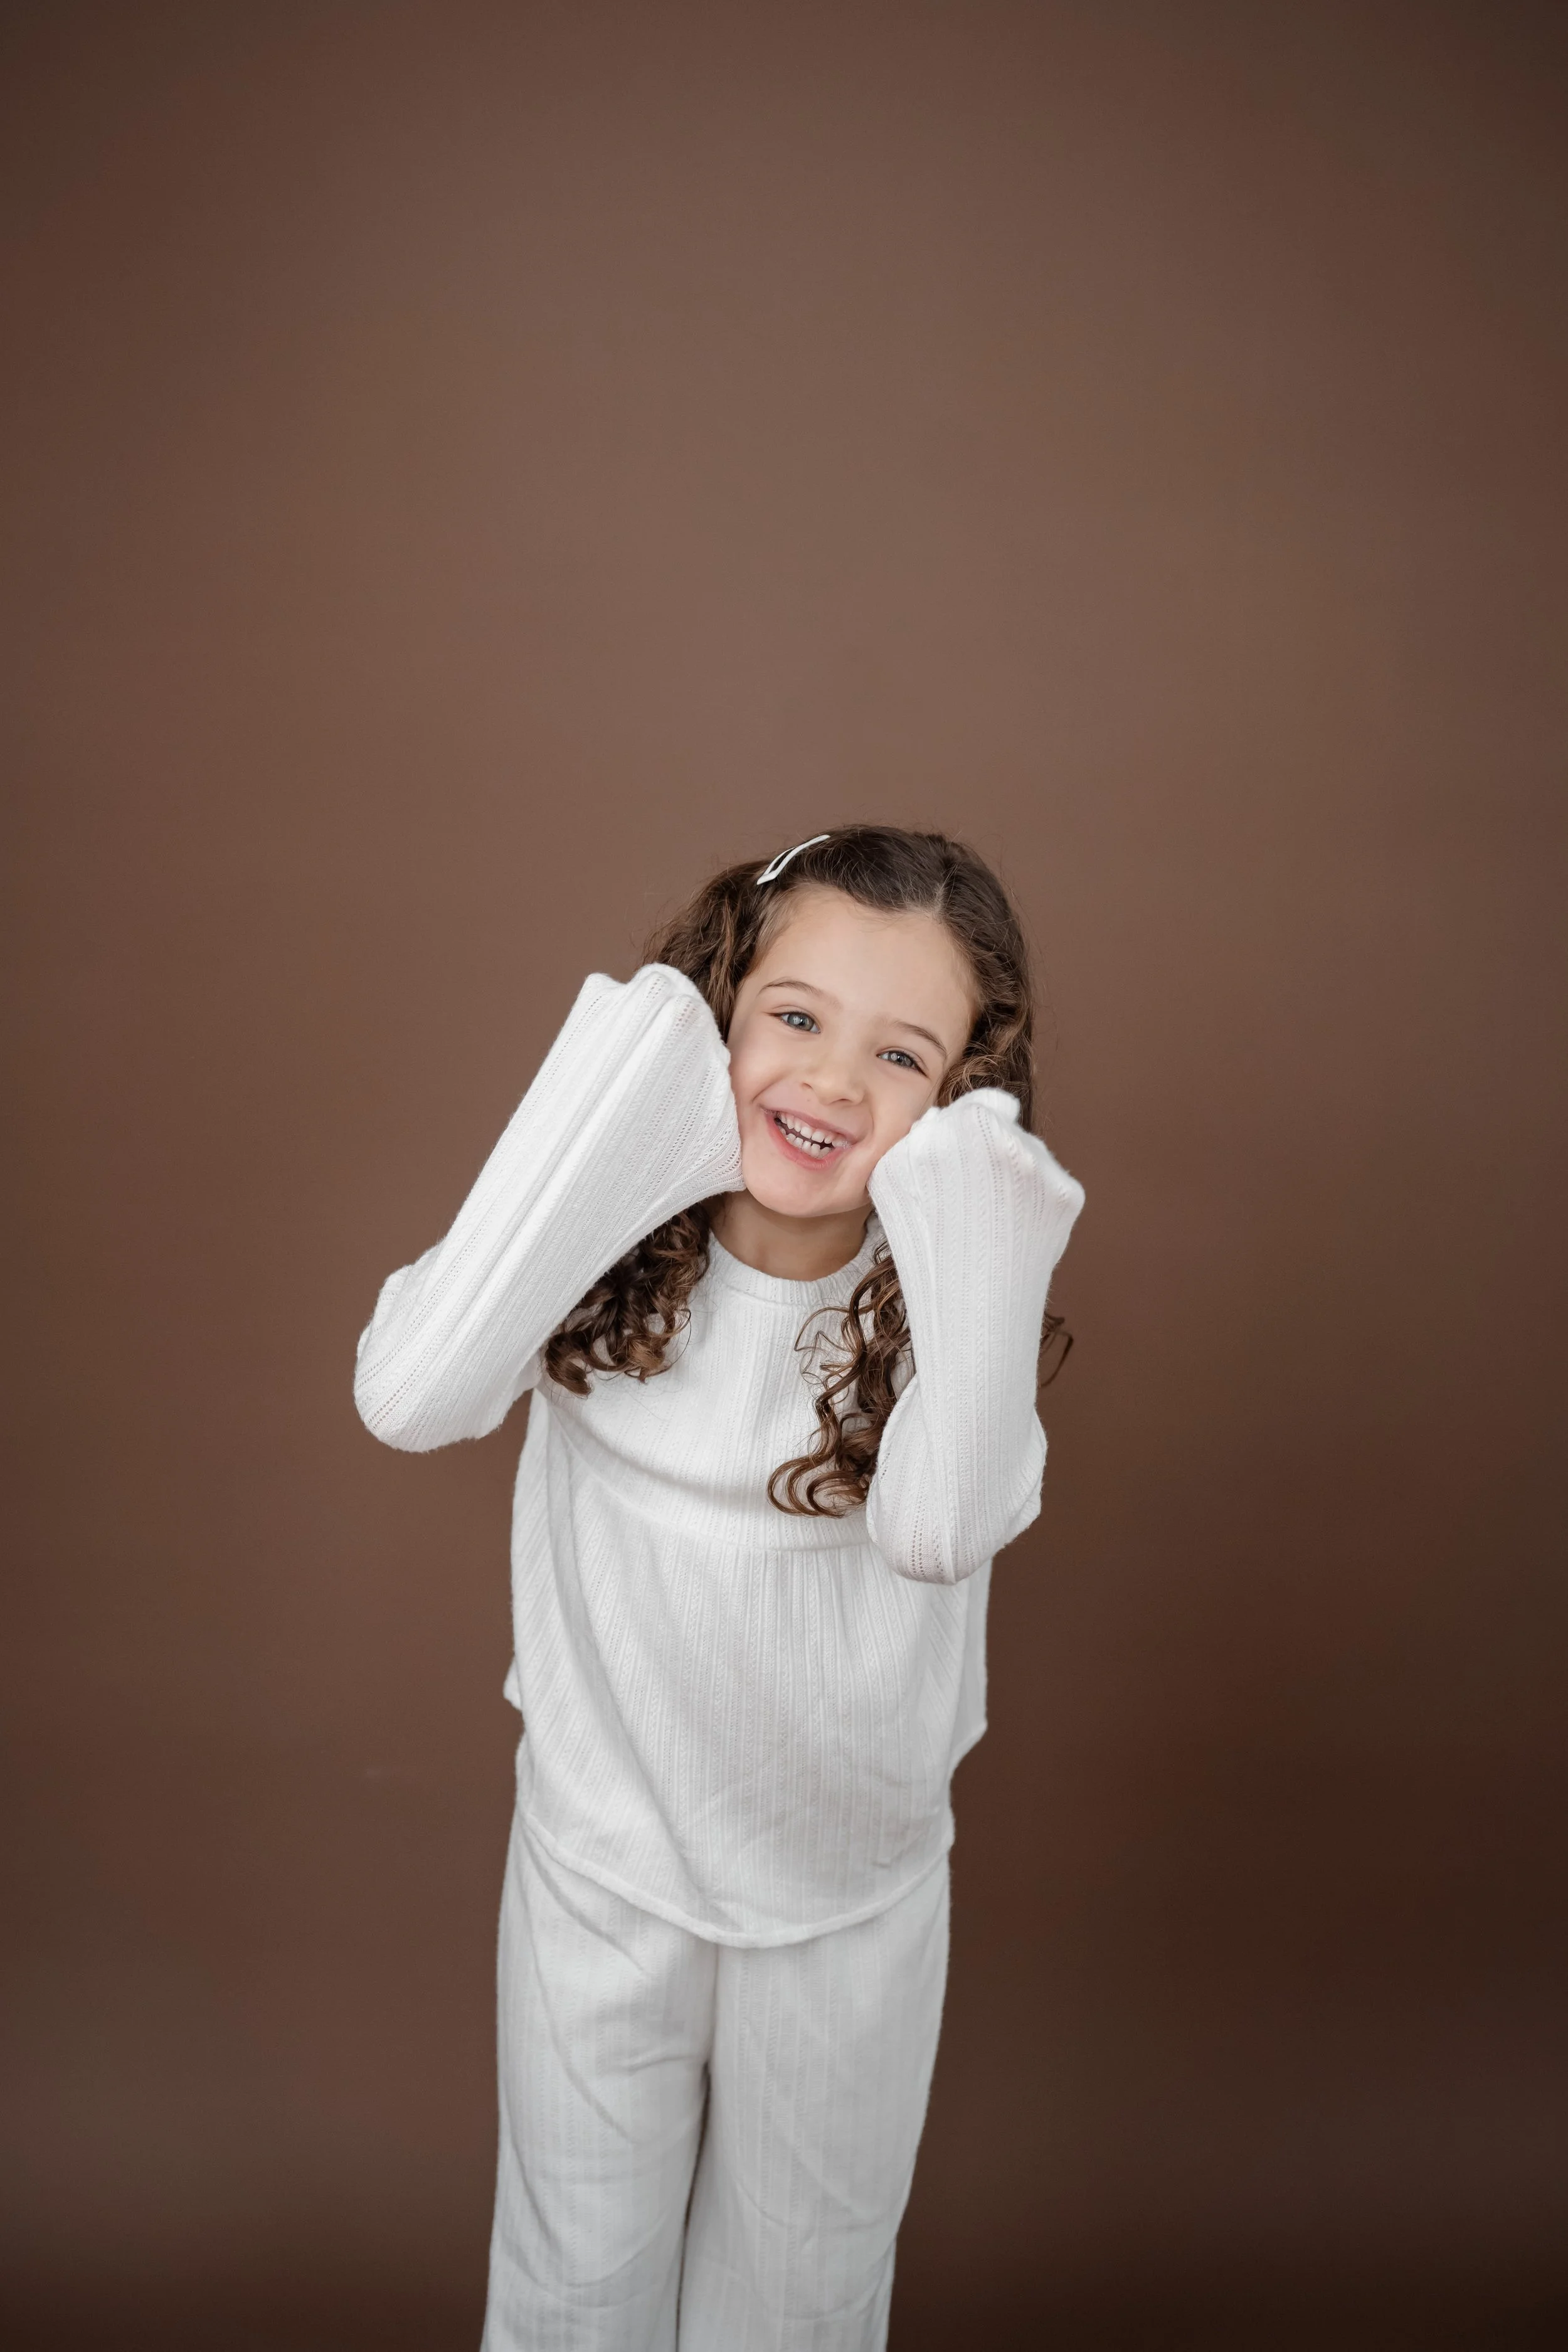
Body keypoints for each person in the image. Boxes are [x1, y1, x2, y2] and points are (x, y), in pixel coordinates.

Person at [353, 824, 1085, 2352]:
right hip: (600, 1865)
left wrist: (975, 1204)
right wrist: (631, 1077)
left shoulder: (952, 1301)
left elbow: (941, 1527)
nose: (827, 1084)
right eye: (793, 1017)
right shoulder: (599, 1242)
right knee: (569, 2288)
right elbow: (411, 1393)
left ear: (960, 1107)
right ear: (718, 1007)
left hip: (845, 1902)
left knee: (799, 2304)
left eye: (902, 1058)